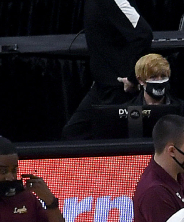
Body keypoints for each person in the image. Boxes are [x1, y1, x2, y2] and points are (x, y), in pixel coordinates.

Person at [62, 0, 154, 140]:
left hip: (118, 90)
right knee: (73, 133)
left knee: (114, 142)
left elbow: (144, 34)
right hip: (101, 88)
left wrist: (132, 77)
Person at [127, 53, 184, 121]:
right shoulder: (128, 110)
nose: (159, 81)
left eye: (163, 76)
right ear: (141, 80)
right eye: (153, 77)